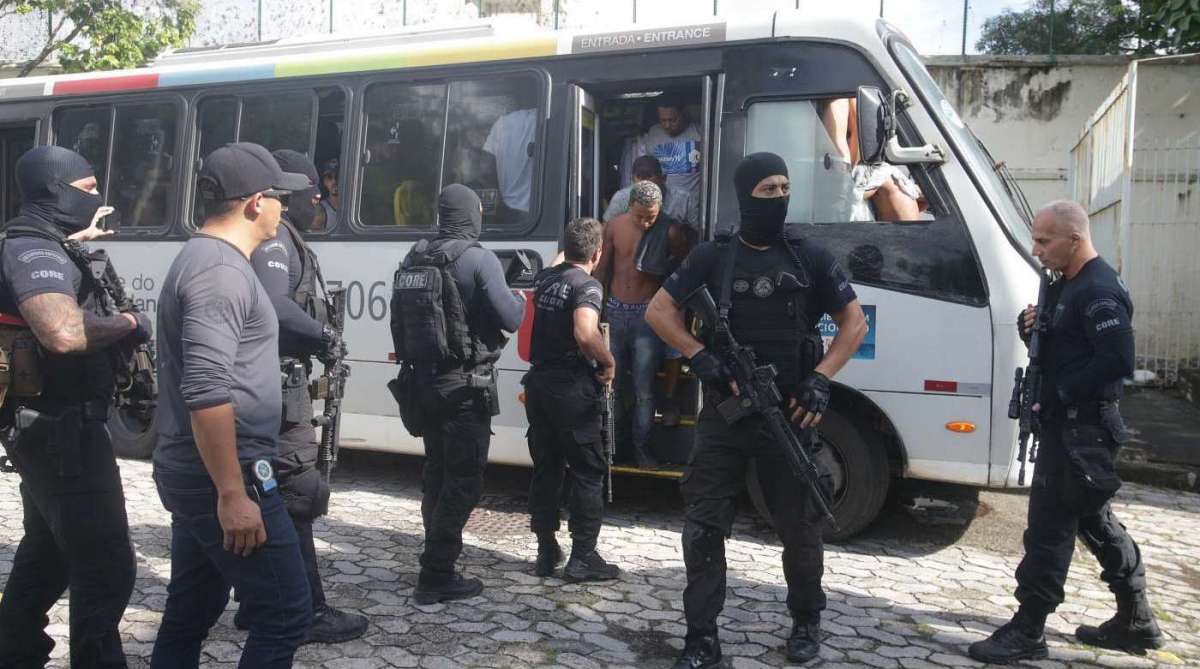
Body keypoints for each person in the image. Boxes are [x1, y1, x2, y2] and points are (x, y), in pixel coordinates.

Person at [645, 152, 868, 668]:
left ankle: (806, 623)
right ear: (746, 195)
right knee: (703, 526)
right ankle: (701, 638)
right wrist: (697, 354)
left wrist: (820, 378)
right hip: (725, 415)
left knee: (801, 525)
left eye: (784, 188)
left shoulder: (809, 256)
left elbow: (852, 324)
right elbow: (660, 311)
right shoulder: (712, 257)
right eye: (768, 189)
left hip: (788, 414)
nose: (779, 197)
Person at [968, 201, 1162, 664]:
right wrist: (1031, 328)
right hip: (1074, 427)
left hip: (1082, 429)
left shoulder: (1097, 290)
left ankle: (1029, 628)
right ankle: (1136, 620)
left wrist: (1058, 392)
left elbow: (1117, 359)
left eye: (1043, 241)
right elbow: (1066, 345)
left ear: (1074, 240)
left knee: (1049, 529)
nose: (1036, 251)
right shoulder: (1066, 285)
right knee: (1094, 522)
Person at [150, 142, 313, 668]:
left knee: (192, 608)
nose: (285, 210)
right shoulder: (218, 272)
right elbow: (207, 389)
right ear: (254, 203)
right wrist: (232, 493)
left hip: (202, 469)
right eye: (280, 199)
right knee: (286, 612)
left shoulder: (208, 259)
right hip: (226, 473)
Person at [0, 146, 149, 669]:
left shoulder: (43, 242)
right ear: (54, 191)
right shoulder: (30, 248)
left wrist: (73, 243)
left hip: (53, 427)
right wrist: (129, 325)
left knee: (50, 552)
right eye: (87, 190)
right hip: (60, 431)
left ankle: (14, 653)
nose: (98, 199)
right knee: (108, 565)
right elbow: (62, 333)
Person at [245, 149, 368, 644]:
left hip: (276, 387)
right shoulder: (275, 240)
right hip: (277, 392)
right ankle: (307, 610)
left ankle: (258, 604)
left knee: (273, 494)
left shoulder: (285, 238)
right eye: (310, 189)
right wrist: (322, 335)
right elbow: (274, 306)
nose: (318, 196)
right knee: (298, 495)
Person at [392, 184, 525, 604]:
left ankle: (435, 554)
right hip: (464, 388)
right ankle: (436, 573)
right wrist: (518, 296)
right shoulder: (478, 258)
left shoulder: (415, 257)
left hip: (423, 384)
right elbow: (510, 317)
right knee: (463, 480)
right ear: (473, 214)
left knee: (436, 472)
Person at [524, 217, 620, 583]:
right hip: (570, 390)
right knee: (588, 470)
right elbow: (584, 332)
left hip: (540, 386)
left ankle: (546, 550)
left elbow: (562, 256)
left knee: (547, 467)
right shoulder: (588, 286)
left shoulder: (547, 277)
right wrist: (608, 361)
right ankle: (583, 556)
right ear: (598, 253)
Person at [594, 181, 691, 467]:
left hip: (648, 315)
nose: (646, 222)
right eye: (640, 216)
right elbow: (603, 270)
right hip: (614, 311)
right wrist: (597, 311)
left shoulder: (670, 230)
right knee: (614, 383)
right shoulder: (614, 226)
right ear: (629, 208)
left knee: (644, 387)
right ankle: (614, 446)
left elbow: (688, 268)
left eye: (651, 216)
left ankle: (642, 449)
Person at [634, 95, 702, 208]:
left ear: (683, 114)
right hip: (660, 207)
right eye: (663, 120)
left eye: (672, 120)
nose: (667, 125)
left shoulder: (699, 133)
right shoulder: (654, 134)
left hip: (691, 208)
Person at [604, 155, 700, 229]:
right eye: (640, 177)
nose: (645, 183)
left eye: (649, 176)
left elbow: (697, 234)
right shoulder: (622, 198)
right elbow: (606, 229)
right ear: (633, 179)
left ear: (663, 178)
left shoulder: (684, 199)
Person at [483, 106, 536, 226]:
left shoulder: (502, 122)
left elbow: (487, 166)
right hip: (533, 214)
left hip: (502, 210)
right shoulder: (547, 120)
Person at [317, 158, 339, 230]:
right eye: (329, 177)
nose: (334, 181)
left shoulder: (352, 207)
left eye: (338, 177)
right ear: (324, 182)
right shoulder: (320, 210)